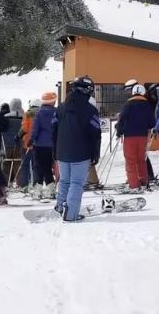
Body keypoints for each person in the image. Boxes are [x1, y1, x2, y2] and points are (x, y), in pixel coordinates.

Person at [52, 76, 101, 222]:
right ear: (88, 90)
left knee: (64, 181)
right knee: (76, 183)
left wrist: (55, 150)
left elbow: (53, 129)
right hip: (81, 152)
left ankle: (60, 207)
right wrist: (95, 153)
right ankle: (71, 214)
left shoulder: (61, 107)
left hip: (62, 151)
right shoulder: (90, 110)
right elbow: (95, 134)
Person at [115, 84, 155, 192]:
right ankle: (143, 181)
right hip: (143, 136)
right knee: (141, 159)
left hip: (130, 136)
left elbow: (122, 119)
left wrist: (119, 131)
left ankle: (133, 185)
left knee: (130, 160)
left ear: (133, 92)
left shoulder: (128, 105)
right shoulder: (147, 105)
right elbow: (152, 122)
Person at [29, 92, 57, 199]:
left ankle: (38, 189)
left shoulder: (39, 113)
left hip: (39, 145)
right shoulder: (56, 112)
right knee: (48, 167)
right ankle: (50, 189)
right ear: (53, 101)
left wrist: (32, 139)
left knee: (39, 166)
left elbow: (35, 129)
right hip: (52, 145)